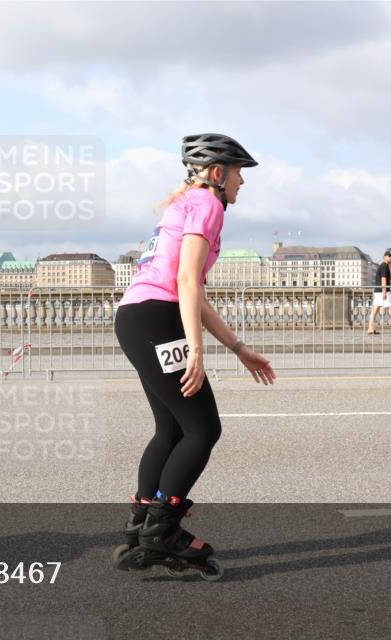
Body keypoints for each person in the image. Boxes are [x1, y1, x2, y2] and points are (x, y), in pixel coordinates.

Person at [112, 134, 276, 576]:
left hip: (135, 318)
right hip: (159, 319)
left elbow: (193, 294)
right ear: (218, 173)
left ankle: (142, 522)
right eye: (240, 172)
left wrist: (239, 349)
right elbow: (188, 282)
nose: (243, 182)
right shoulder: (208, 205)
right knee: (203, 429)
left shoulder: (183, 203)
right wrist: (197, 353)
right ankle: (163, 531)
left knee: (170, 429)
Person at [366, 248, 391, 335]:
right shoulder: (385, 266)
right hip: (384, 291)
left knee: (375, 310)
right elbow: (383, 279)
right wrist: (384, 291)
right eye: (389, 256)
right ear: (384, 257)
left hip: (378, 291)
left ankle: (370, 328)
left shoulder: (382, 265)